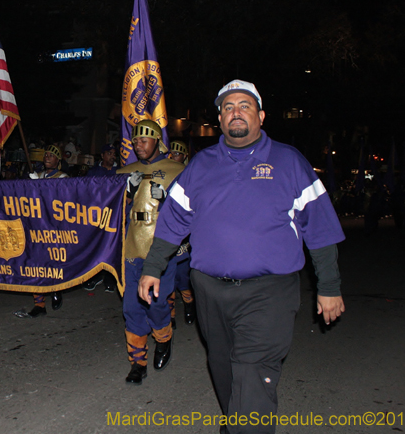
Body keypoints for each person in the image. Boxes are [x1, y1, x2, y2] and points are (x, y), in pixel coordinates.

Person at [138, 80, 345, 433]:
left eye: (245, 106)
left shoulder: (289, 161)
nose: (236, 112)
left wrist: (329, 285)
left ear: (261, 116)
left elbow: (320, 228)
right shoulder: (201, 165)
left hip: (270, 291)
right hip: (210, 291)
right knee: (222, 366)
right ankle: (237, 421)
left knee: (252, 370)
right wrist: (153, 268)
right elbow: (173, 221)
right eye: (228, 107)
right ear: (220, 119)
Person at [116, 121, 184, 384]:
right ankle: (137, 363)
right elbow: (108, 215)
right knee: (132, 307)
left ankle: (164, 339)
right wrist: (127, 195)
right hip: (131, 247)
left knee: (157, 306)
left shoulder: (177, 172)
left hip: (161, 250)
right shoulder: (125, 172)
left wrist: (166, 199)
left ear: (157, 140)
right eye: (135, 141)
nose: (138, 145)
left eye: (144, 140)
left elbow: (190, 213)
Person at [17, 144, 67, 318]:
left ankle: (55, 289)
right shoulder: (35, 175)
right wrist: (29, 184)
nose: (47, 157)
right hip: (35, 227)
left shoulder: (63, 177)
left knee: (52, 262)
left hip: (53, 227)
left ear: (58, 160)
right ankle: (39, 303)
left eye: (51, 156)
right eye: (45, 155)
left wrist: (39, 186)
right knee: (34, 264)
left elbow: (59, 200)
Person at [83, 142, 119, 293]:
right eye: (109, 153)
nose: (112, 156)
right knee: (97, 246)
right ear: (103, 156)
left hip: (115, 215)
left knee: (113, 246)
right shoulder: (93, 172)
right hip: (98, 216)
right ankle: (95, 275)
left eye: (114, 153)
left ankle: (110, 278)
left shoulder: (120, 171)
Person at [167, 140, 195, 327]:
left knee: (183, 278)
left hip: (184, 233)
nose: (173, 156)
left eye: (178, 153)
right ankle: (170, 315)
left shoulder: (190, 175)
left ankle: (189, 304)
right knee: (167, 278)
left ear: (184, 157)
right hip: (166, 230)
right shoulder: (163, 173)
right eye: (171, 153)